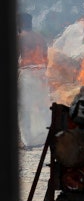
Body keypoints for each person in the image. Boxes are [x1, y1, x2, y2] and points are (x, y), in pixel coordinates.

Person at [17, 12, 51, 148]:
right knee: (42, 106)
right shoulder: (40, 38)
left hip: (27, 74)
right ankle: (44, 137)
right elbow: (46, 58)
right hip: (41, 73)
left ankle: (26, 140)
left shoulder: (19, 38)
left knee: (23, 107)